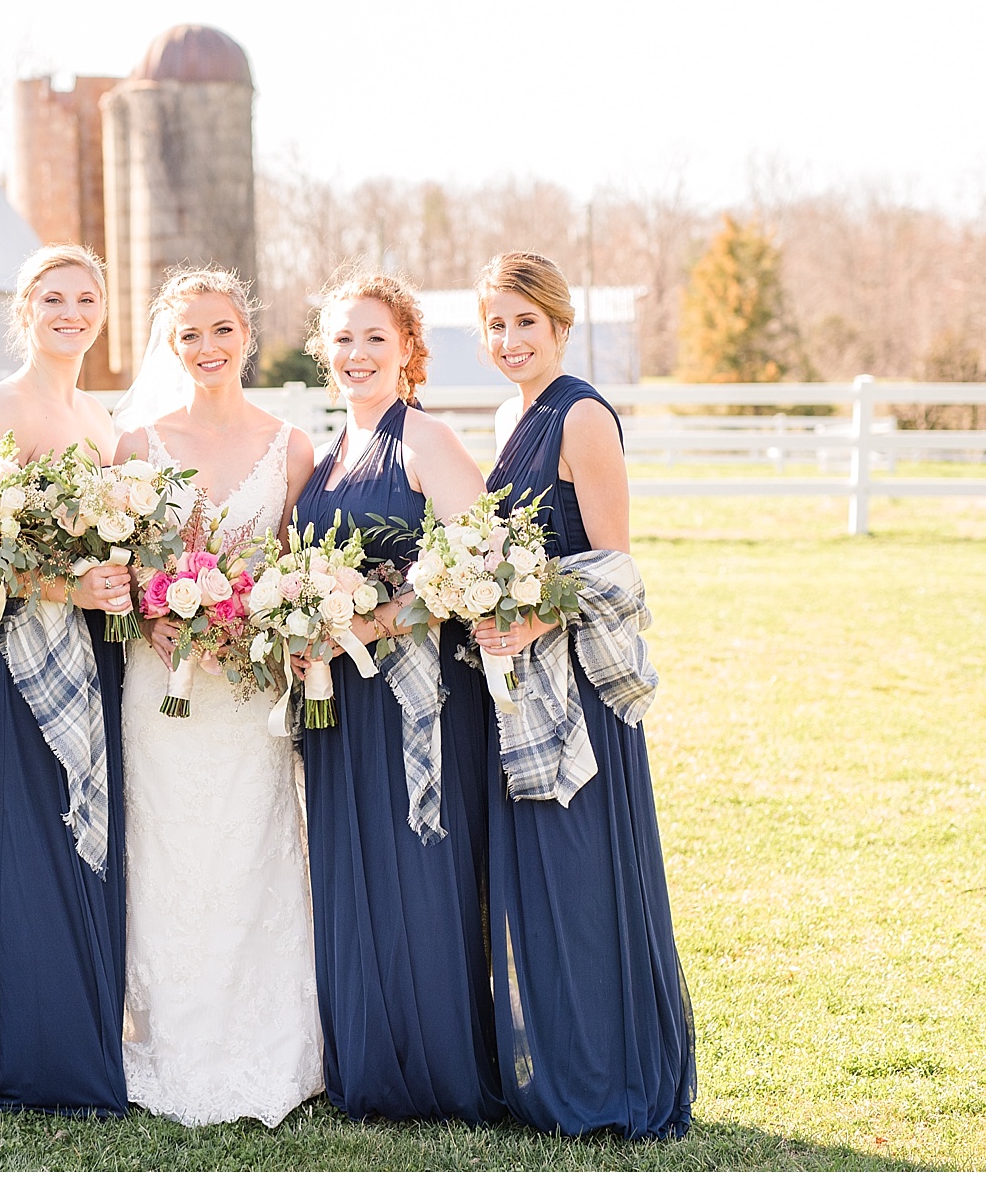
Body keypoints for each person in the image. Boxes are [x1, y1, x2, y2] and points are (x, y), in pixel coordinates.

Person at [474, 250, 696, 1139]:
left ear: (559, 326)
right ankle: (552, 1063)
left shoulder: (581, 416)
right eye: (495, 323)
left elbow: (616, 572)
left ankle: (609, 1079)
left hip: (579, 693)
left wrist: (532, 620)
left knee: (582, 879)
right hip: (519, 689)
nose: (509, 338)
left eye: (524, 321)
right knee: (537, 885)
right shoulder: (504, 413)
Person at [289, 271, 504, 1122]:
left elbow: (478, 564)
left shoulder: (424, 440)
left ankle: (438, 1069)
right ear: (323, 352)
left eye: (375, 337)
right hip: (338, 696)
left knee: (421, 861)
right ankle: (370, 1064)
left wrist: (372, 622)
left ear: (409, 349)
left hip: (420, 696)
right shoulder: (328, 452)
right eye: (342, 338)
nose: (357, 354)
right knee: (351, 864)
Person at [111, 268, 323, 1127]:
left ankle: (268, 1040)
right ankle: (173, 1039)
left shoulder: (291, 445)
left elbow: (297, 567)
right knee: (168, 853)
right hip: (160, 687)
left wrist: (264, 619)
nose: (207, 347)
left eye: (222, 329)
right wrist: (141, 614)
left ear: (247, 334)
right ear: (170, 346)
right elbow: (112, 570)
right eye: (189, 334)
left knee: (252, 850)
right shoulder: (135, 445)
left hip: (248, 691)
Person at [0, 244, 134, 1114]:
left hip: (95, 654)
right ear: (26, 308)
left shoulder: (101, 419)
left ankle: (93, 1026)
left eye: (87, 298)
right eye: (55, 298)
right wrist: (64, 585)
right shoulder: (1, 411)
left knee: (89, 828)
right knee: (41, 839)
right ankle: (46, 1055)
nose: (72, 312)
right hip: (24, 661)